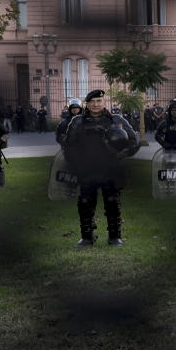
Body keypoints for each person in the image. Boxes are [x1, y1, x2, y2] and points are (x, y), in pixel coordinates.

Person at [64, 90, 140, 246]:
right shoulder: (77, 122)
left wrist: (119, 156)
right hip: (87, 170)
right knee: (85, 202)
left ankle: (114, 236)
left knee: (112, 202)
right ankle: (87, 236)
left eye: (98, 101)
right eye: (92, 102)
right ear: (87, 104)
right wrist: (77, 164)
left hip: (110, 169)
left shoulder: (116, 119)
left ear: (104, 102)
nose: (95, 105)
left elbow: (133, 141)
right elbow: (69, 147)